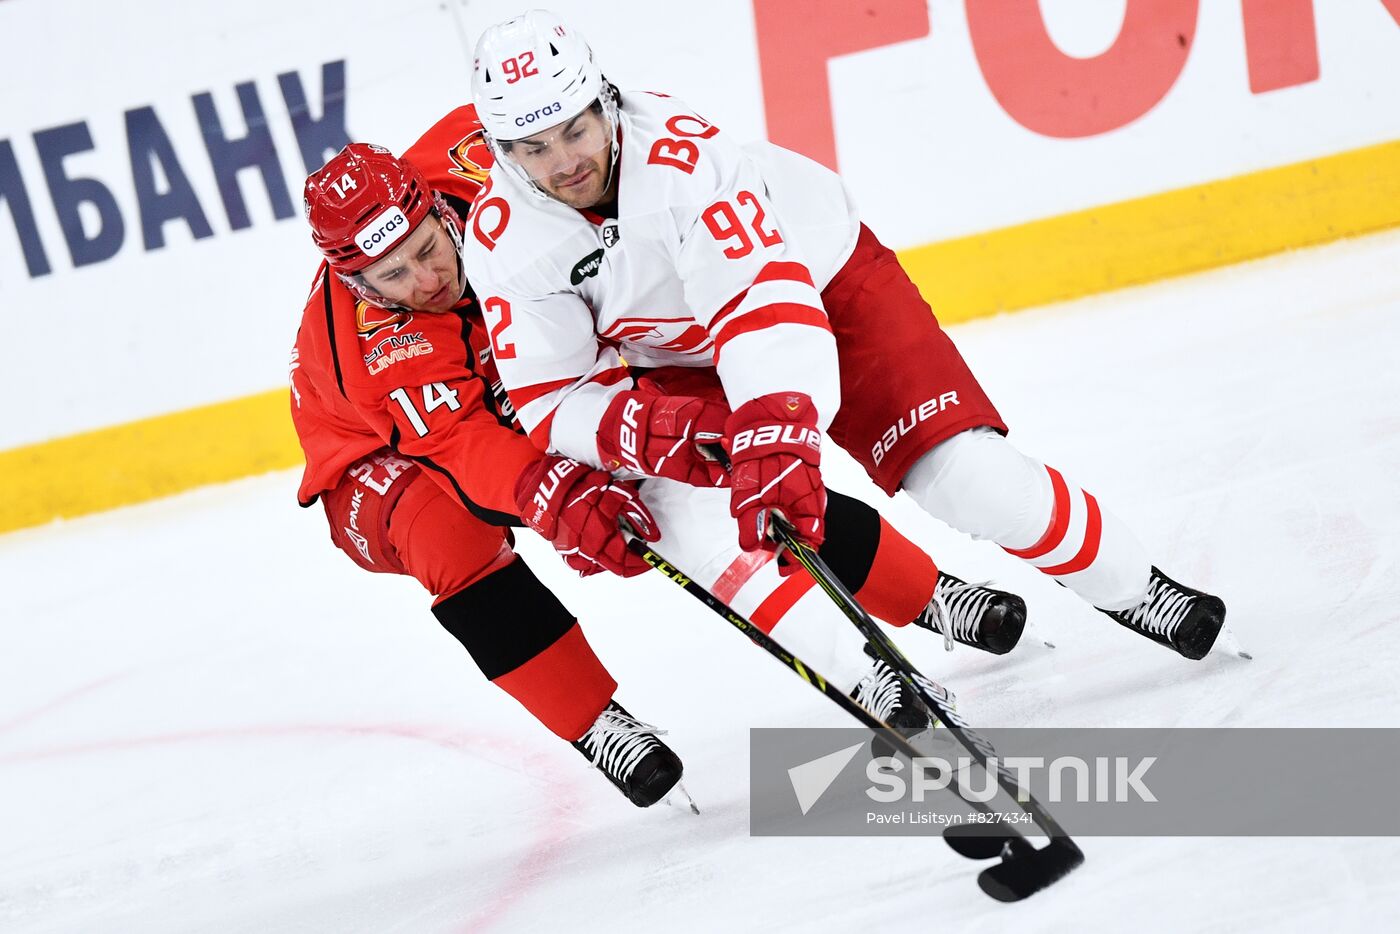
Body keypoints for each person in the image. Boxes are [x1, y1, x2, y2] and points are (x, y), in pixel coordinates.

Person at [461, 9, 1228, 662]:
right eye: (534, 148)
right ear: (501, 151)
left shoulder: (684, 159)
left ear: (605, 102)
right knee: (736, 508)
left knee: (971, 482)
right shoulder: (502, 242)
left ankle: (1134, 585)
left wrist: (777, 428)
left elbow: (763, 306)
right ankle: (928, 604)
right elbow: (554, 393)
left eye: (575, 130)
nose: (565, 162)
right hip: (685, 356)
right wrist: (643, 430)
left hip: (824, 285)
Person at [290, 139, 1021, 812]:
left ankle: (924, 593)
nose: (427, 280)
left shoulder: (481, 149)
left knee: (701, 445)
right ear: (354, 279)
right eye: (393, 275)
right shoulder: (375, 353)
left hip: (529, 357)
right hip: (380, 458)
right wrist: (555, 492)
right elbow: (468, 448)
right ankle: (594, 722)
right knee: (446, 536)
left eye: (426, 249)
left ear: (433, 206)